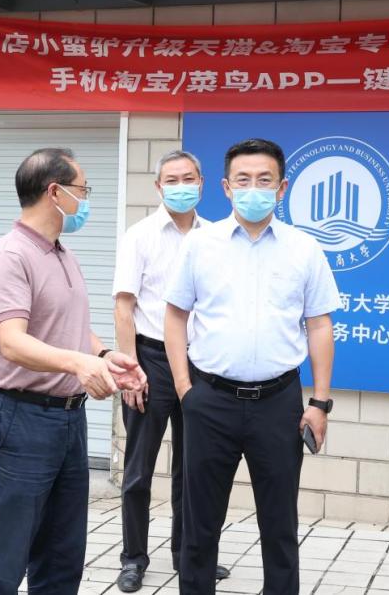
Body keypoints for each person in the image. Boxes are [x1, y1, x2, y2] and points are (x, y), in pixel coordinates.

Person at [164, 138, 340, 595]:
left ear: (282, 188)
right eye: (243, 180)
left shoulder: (303, 248)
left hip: (279, 403)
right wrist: (184, 389)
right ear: (226, 187)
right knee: (200, 525)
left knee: (280, 525)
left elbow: (319, 325)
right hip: (210, 400)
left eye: (265, 180)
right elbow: (175, 316)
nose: (253, 189)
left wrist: (319, 403)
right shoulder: (200, 245)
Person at [0, 148, 146, 594]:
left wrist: (104, 354)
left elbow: (69, 328)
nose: (85, 199)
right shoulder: (9, 256)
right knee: (5, 555)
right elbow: (12, 341)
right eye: (82, 189)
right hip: (21, 420)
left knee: (62, 555)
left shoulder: (63, 254)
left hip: (69, 420)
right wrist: (77, 363)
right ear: (55, 192)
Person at [113, 150, 230, 591]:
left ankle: (188, 555)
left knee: (193, 467)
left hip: (201, 364)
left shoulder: (216, 237)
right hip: (151, 361)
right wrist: (130, 369)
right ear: (158, 187)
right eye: (172, 180)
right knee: (138, 468)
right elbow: (124, 306)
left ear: (202, 182)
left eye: (188, 178)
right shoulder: (140, 236)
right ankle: (133, 558)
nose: (181, 186)